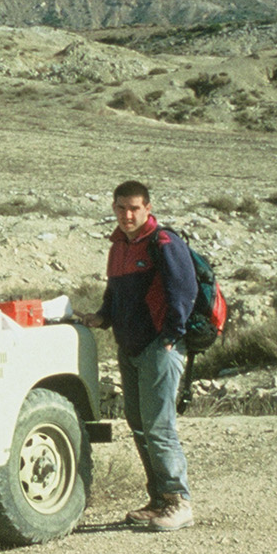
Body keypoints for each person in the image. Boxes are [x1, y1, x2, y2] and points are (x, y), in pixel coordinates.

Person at [82, 180, 197, 532]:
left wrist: (171, 337)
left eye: (134, 208)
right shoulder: (118, 246)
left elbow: (185, 291)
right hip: (129, 347)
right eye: (120, 208)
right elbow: (115, 294)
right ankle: (159, 499)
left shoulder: (164, 243)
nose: (127, 215)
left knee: (159, 427)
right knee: (140, 425)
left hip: (158, 349)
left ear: (147, 208)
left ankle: (179, 502)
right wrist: (102, 317)